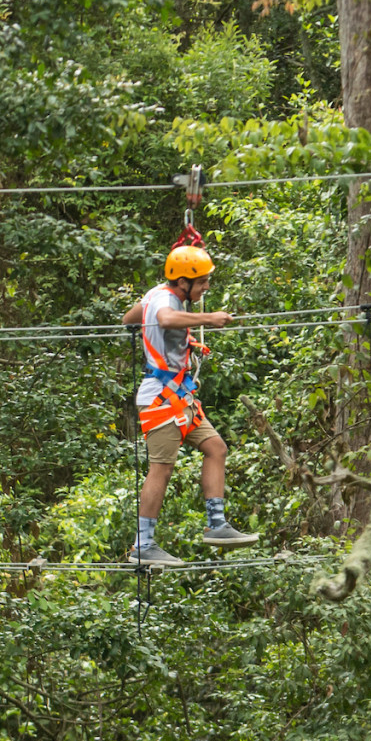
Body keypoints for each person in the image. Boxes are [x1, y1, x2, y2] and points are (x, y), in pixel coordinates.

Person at [122, 240, 259, 566]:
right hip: (159, 399)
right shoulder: (166, 302)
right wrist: (207, 319)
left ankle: (217, 526)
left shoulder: (155, 294)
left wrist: (179, 342)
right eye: (201, 282)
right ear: (182, 282)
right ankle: (143, 544)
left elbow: (131, 318)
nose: (206, 287)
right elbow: (167, 320)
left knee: (216, 448)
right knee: (162, 468)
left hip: (180, 398)